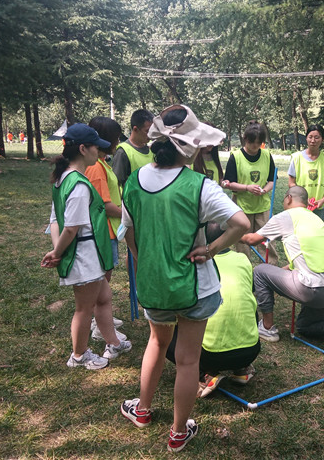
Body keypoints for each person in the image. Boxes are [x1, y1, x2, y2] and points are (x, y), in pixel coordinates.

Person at [119, 104, 249, 453]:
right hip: (195, 288)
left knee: (157, 344)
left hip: (153, 287)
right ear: (190, 148)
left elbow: (127, 233)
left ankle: (142, 411)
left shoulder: (133, 182)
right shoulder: (200, 186)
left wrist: (146, 261)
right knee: (188, 359)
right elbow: (242, 224)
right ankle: (178, 433)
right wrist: (213, 249)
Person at [41, 124, 132, 370]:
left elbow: (54, 220)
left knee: (104, 297)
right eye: (96, 148)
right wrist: (58, 253)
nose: (100, 152)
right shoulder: (79, 184)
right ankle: (79, 355)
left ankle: (112, 342)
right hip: (84, 255)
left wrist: (57, 250)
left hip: (83, 252)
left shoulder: (63, 179)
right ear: (83, 149)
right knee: (84, 308)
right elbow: (71, 226)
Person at [240, 185, 324, 355]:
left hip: (314, 290)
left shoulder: (285, 216)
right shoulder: (315, 220)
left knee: (260, 272)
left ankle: (267, 328)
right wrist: (274, 278)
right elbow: (301, 262)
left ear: (288, 198)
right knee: (304, 327)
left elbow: (252, 239)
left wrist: (232, 231)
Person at [166, 223, 261, 398]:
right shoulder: (242, 259)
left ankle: (205, 373)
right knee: (245, 302)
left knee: (164, 334)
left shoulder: (192, 262)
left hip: (210, 355)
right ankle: (242, 368)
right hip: (251, 350)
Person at [85, 117, 126, 341]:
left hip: (108, 231)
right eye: (116, 138)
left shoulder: (103, 163)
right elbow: (104, 204)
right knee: (101, 284)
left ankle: (100, 318)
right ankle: (101, 326)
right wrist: (130, 215)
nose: (118, 142)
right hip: (103, 233)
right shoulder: (97, 168)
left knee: (102, 283)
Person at [222, 121, 278, 264]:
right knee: (242, 243)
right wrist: (247, 187)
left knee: (267, 241)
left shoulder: (266, 155)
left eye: (259, 143)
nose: (255, 146)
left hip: (262, 206)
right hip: (242, 207)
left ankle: (269, 272)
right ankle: (244, 269)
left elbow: (272, 180)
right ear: (245, 139)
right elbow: (229, 183)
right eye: (252, 142)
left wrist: (264, 190)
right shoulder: (235, 156)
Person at [287, 124, 324, 220]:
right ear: (306, 138)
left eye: (317, 137)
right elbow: (291, 183)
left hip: (319, 206)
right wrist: (304, 198)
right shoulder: (297, 158)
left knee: (316, 232)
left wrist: (323, 200)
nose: (313, 140)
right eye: (310, 137)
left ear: (322, 139)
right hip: (300, 204)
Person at [112, 109, 155, 189]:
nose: (150, 134)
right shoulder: (123, 152)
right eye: (147, 131)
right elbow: (116, 184)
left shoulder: (151, 150)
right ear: (135, 129)